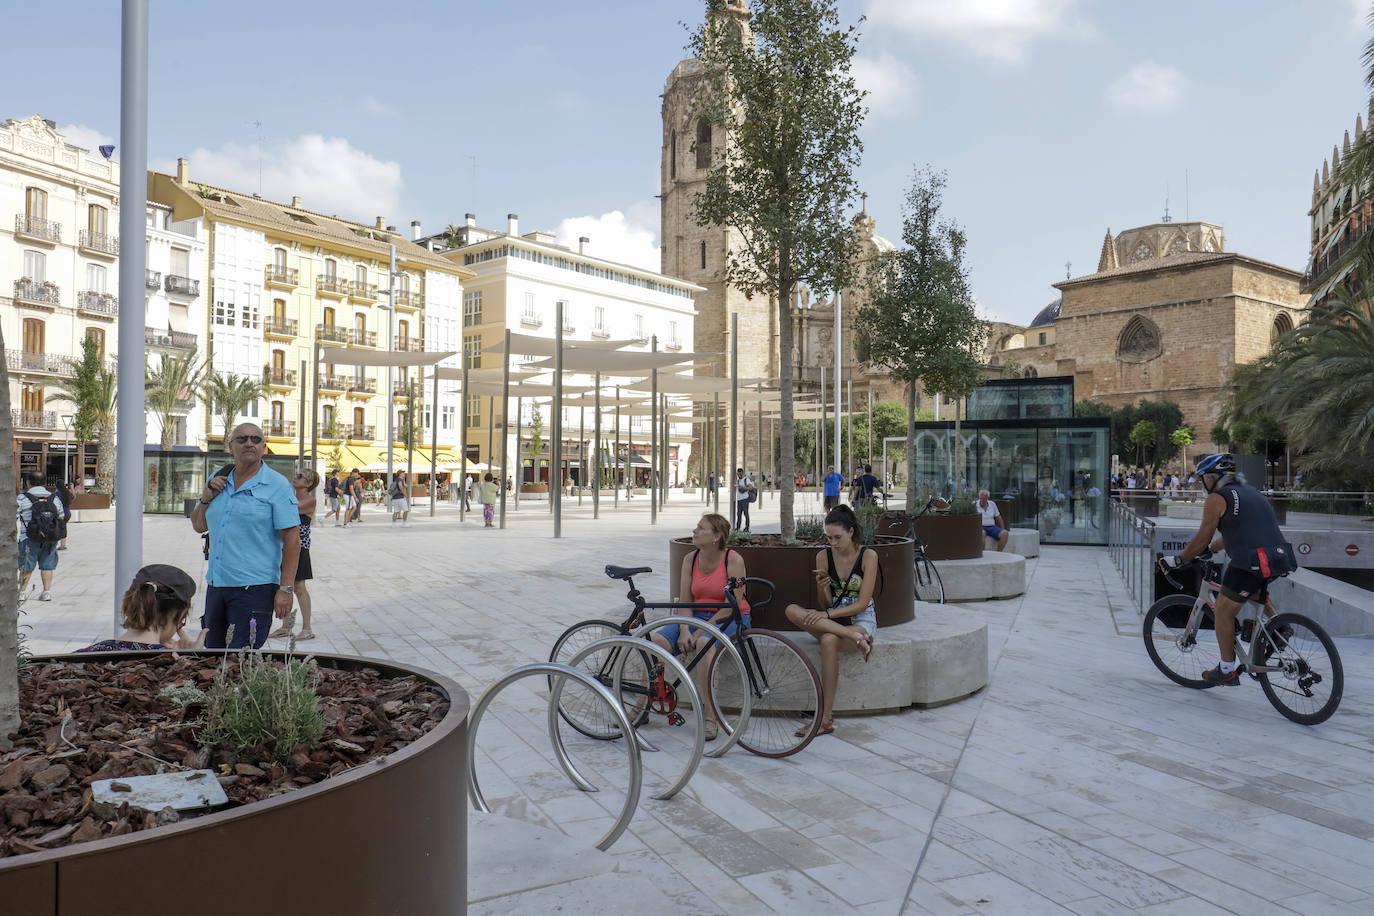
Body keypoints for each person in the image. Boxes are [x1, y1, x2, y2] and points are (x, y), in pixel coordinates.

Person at [1160, 454, 1297, 686]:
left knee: (1223, 611)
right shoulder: (1253, 492)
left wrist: (1178, 560)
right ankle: (1280, 625)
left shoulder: (1217, 498)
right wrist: (1213, 550)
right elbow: (1239, 529)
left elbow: (1202, 538)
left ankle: (1226, 670)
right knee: (1252, 591)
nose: (1202, 484)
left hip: (1250, 561)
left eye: (1203, 479)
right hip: (1279, 557)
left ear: (1212, 478)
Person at [190, 422, 300, 650]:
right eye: (242, 439)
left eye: (256, 439)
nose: (249, 443)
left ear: (263, 447)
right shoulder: (218, 478)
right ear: (231, 446)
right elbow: (199, 526)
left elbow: (292, 541)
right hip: (216, 586)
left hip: (254, 590)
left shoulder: (277, 485)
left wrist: (286, 589)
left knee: (240, 661)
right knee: (212, 655)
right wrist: (206, 497)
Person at [649, 513, 749, 742]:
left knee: (704, 643)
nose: (694, 531)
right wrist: (685, 630)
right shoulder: (690, 559)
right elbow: (685, 601)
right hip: (696, 616)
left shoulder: (733, 560)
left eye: (701, 528)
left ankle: (709, 715)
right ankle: (643, 704)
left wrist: (697, 631)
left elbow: (731, 605)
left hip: (730, 616)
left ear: (716, 537)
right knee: (655, 642)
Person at [784, 504, 877, 737]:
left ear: (852, 531)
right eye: (829, 537)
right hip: (835, 618)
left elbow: (863, 603)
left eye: (838, 537)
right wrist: (823, 590)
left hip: (859, 618)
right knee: (792, 610)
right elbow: (825, 603)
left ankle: (824, 718)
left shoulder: (868, 556)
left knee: (828, 639)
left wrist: (826, 616)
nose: (833, 543)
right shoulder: (822, 557)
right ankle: (855, 638)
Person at [78, 564, 202, 652]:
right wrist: (194, 658)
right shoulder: (177, 671)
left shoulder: (81, 657)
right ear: (180, 615)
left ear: (129, 603)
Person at [272, 470, 318, 641]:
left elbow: (287, 510)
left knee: (298, 587)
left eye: (301, 476)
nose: (296, 477)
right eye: (297, 474)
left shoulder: (309, 501)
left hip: (300, 548)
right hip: (285, 547)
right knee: (284, 585)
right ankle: (286, 627)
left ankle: (307, 628)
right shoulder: (291, 496)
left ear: (308, 484)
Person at [17, 472, 64, 600]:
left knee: (26, 565)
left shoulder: (22, 498)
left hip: (28, 537)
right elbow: (61, 516)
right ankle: (46, 592)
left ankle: (21, 592)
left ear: (28, 482)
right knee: (47, 565)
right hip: (50, 537)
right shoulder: (53, 498)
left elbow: (14, 514)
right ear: (44, 482)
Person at [733, 467, 753, 532]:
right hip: (739, 500)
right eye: (738, 474)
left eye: (740, 474)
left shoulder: (746, 480)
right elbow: (734, 489)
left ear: (743, 473)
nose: (739, 476)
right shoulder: (737, 481)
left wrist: (743, 487)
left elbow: (750, 488)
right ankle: (738, 527)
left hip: (745, 499)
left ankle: (747, 527)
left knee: (746, 513)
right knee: (739, 514)